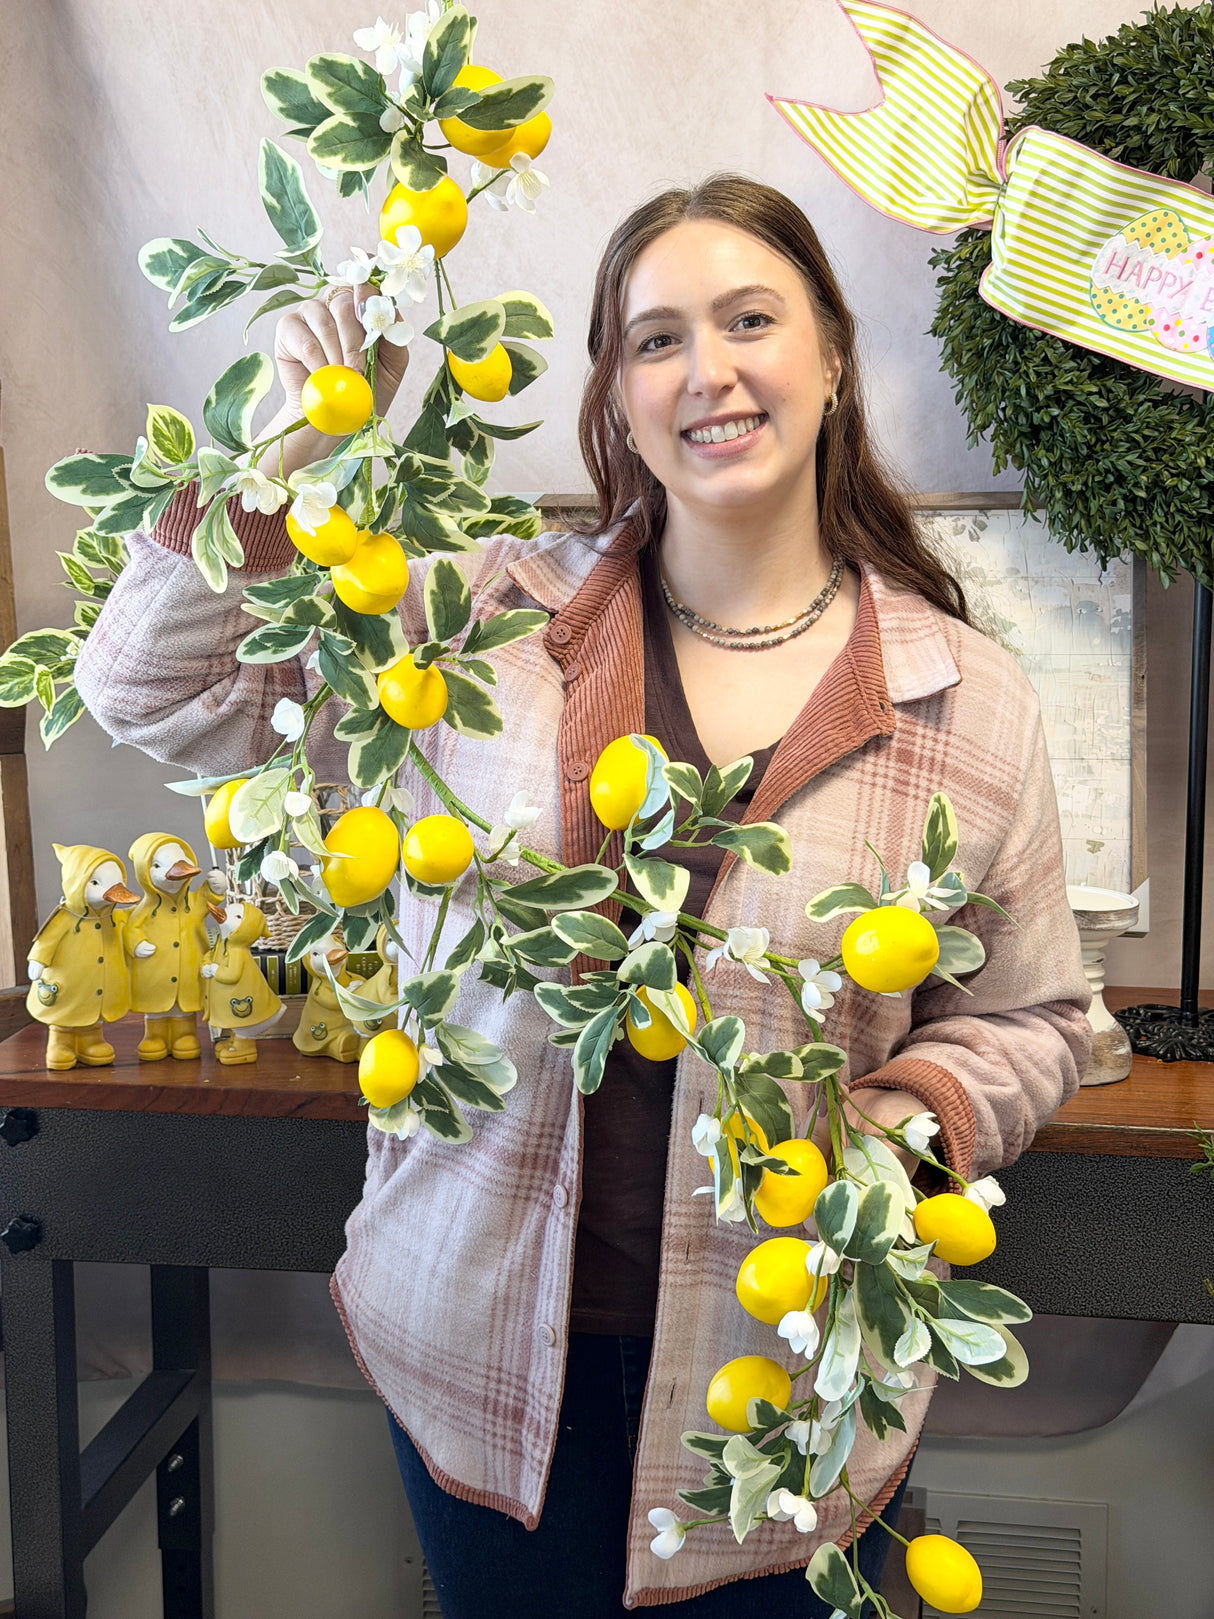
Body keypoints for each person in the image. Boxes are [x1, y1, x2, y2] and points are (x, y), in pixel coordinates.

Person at [74, 173, 1090, 1615]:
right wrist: (278, 452)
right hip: (478, 1360)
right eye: (655, 338)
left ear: (833, 354)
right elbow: (144, 692)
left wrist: (906, 1118)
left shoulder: (962, 700)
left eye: (749, 319)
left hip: (779, 1375)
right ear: (613, 393)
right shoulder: (472, 623)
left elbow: (1033, 1015)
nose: (708, 369)